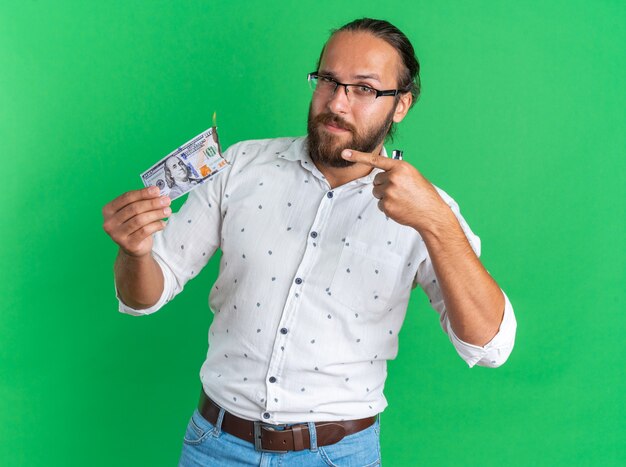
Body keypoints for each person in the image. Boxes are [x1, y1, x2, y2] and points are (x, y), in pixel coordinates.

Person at [102, 18, 517, 466]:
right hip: (215, 446)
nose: (337, 102)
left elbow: (490, 347)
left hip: (339, 456)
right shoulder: (240, 165)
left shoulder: (428, 210)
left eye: (364, 89)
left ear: (400, 105)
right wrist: (134, 252)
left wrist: (437, 222)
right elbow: (143, 295)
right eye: (328, 81)